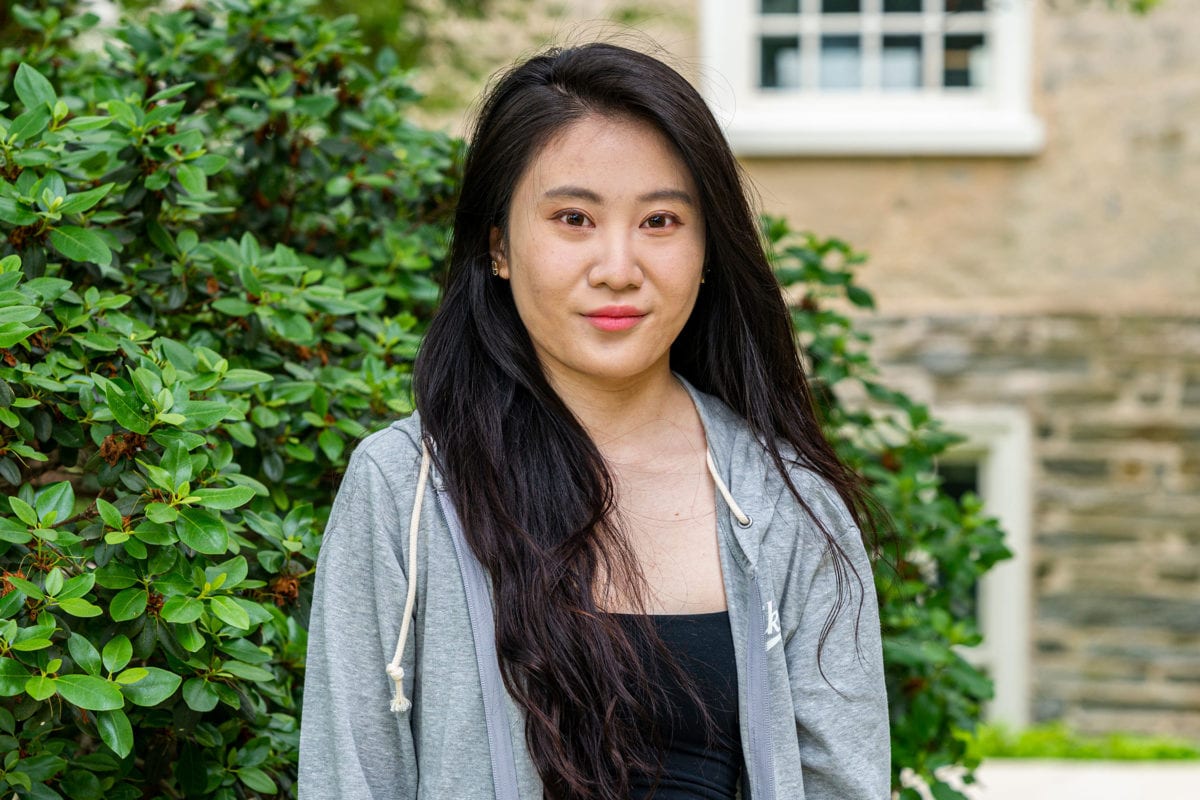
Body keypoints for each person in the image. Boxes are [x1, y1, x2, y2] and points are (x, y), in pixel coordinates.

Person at [298, 42, 889, 800]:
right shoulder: (406, 492)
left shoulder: (786, 507)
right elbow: (351, 778)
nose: (618, 266)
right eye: (574, 218)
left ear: (708, 250)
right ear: (499, 245)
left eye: (661, 221)